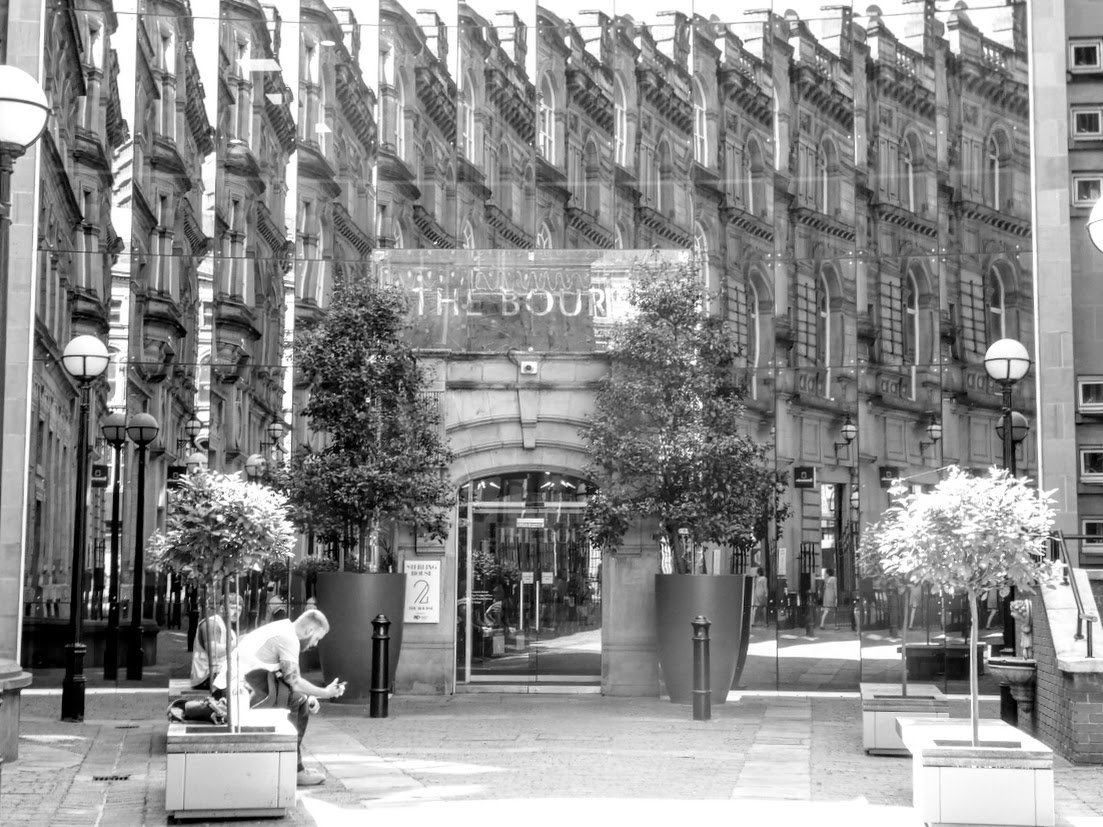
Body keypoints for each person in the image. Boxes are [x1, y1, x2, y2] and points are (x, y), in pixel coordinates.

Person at [231, 609, 346, 786]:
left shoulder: (283, 628)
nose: (315, 644)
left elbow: (285, 678)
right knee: (298, 702)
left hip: (243, 685)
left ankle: (291, 765)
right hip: (239, 690)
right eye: (317, 638)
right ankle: (294, 770)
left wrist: (310, 695)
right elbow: (294, 681)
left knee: (299, 699)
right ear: (309, 630)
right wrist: (325, 693)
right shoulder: (288, 638)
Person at [190, 593, 242, 698]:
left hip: (219, 673)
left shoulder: (229, 629)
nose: (236, 613)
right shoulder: (212, 624)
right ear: (222, 608)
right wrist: (238, 642)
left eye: (239, 610)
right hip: (206, 676)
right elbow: (213, 652)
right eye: (233, 608)